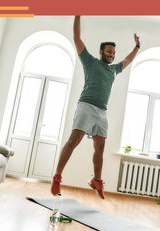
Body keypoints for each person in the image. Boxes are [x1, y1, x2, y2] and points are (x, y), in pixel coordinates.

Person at [51, 16, 140, 199]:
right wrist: (77, 14)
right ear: (101, 51)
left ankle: (96, 181)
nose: (112, 54)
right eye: (109, 51)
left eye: (113, 52)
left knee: (100, 147)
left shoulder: (114, 70)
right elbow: (77, 38)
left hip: (102, 112)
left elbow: (127, 60)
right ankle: (57, 177)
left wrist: (137, 47)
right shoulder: (90, 62)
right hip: (86, 106)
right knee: (73, 141)